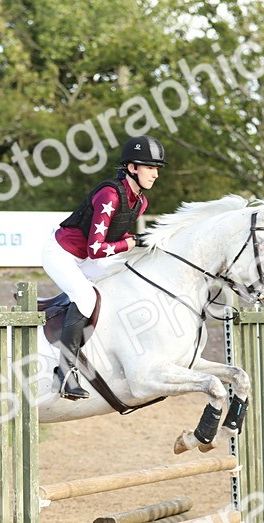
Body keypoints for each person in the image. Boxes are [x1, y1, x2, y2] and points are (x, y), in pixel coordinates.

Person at [42, 134, 165, 400]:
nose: (155, 174)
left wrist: (138, 246)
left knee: (126, 273)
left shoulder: (140, 202)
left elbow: (110, 245)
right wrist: (131, 243)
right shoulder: (109, 195)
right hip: (61, 254)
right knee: (85, 296)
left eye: (157, 169)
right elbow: (96, 248)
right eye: (150, 167)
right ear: (132, 168)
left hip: (88, 258)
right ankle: (64, 372)